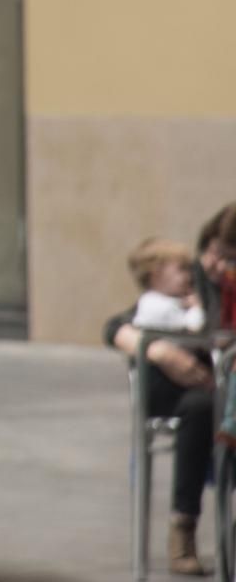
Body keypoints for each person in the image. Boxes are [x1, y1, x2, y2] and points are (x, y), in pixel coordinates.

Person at [106, 208, 236, 575]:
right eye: (214, 251)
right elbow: (116, 325)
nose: (217, 264)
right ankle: (184, 525)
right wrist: (158, 351)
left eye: (229, 257)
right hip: (187, 388)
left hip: (223, 384)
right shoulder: (185, 280)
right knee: (203, 409)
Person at [132, 238, 208, 332]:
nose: (189, 276)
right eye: (182, 269)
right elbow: (192, 329)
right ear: (156, 275)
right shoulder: (158, 306)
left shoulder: (151, 301)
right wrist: (195, 307)